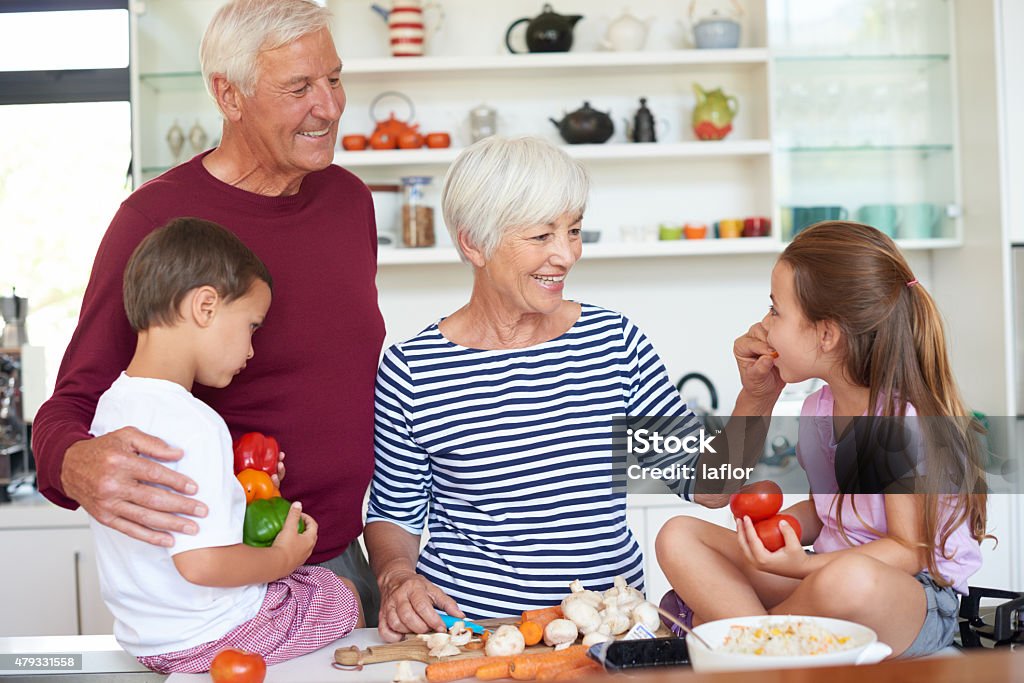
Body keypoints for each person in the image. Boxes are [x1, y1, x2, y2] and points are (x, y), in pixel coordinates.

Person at [31, 0, 384, 621]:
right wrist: (70, 461)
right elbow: (74, 400)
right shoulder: (153, 220)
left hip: (341, 556)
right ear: (229, 94)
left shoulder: (349, 201)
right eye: (299, 87)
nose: (329, 106)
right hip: (222, 576)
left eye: (333, 78)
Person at [364, 136, 782, 641]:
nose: (565, 255)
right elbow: (394, 515)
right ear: (474, 241)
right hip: (473, 637)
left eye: (574, 230)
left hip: (607, 632)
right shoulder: (413, 368)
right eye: (542, 236)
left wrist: (757, 396)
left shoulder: (613, 345)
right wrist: (396, 577)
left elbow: (709, 485)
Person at [656, 221, 989, 658]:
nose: (764, 325)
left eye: (775, 311)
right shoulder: (818, 410)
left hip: (907, 594)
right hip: (822, 577)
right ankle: (757, 638)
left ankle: (744, 641)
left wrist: (806, 565)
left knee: (846, 578)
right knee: (678, 535)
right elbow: (825, 508)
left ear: (826, 334)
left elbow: (908, 551)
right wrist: (780, 536)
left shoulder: (895, 423)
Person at [89, 217, 361, 673]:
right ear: (206, 306)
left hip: (147, 637)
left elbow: (178, 525)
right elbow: (200, 564)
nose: (252, 350)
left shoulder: (110, 409)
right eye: (252, 326)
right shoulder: (195, 421)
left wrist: (239, 491)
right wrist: (280, 559)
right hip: (217, 635)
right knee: (343, 593)